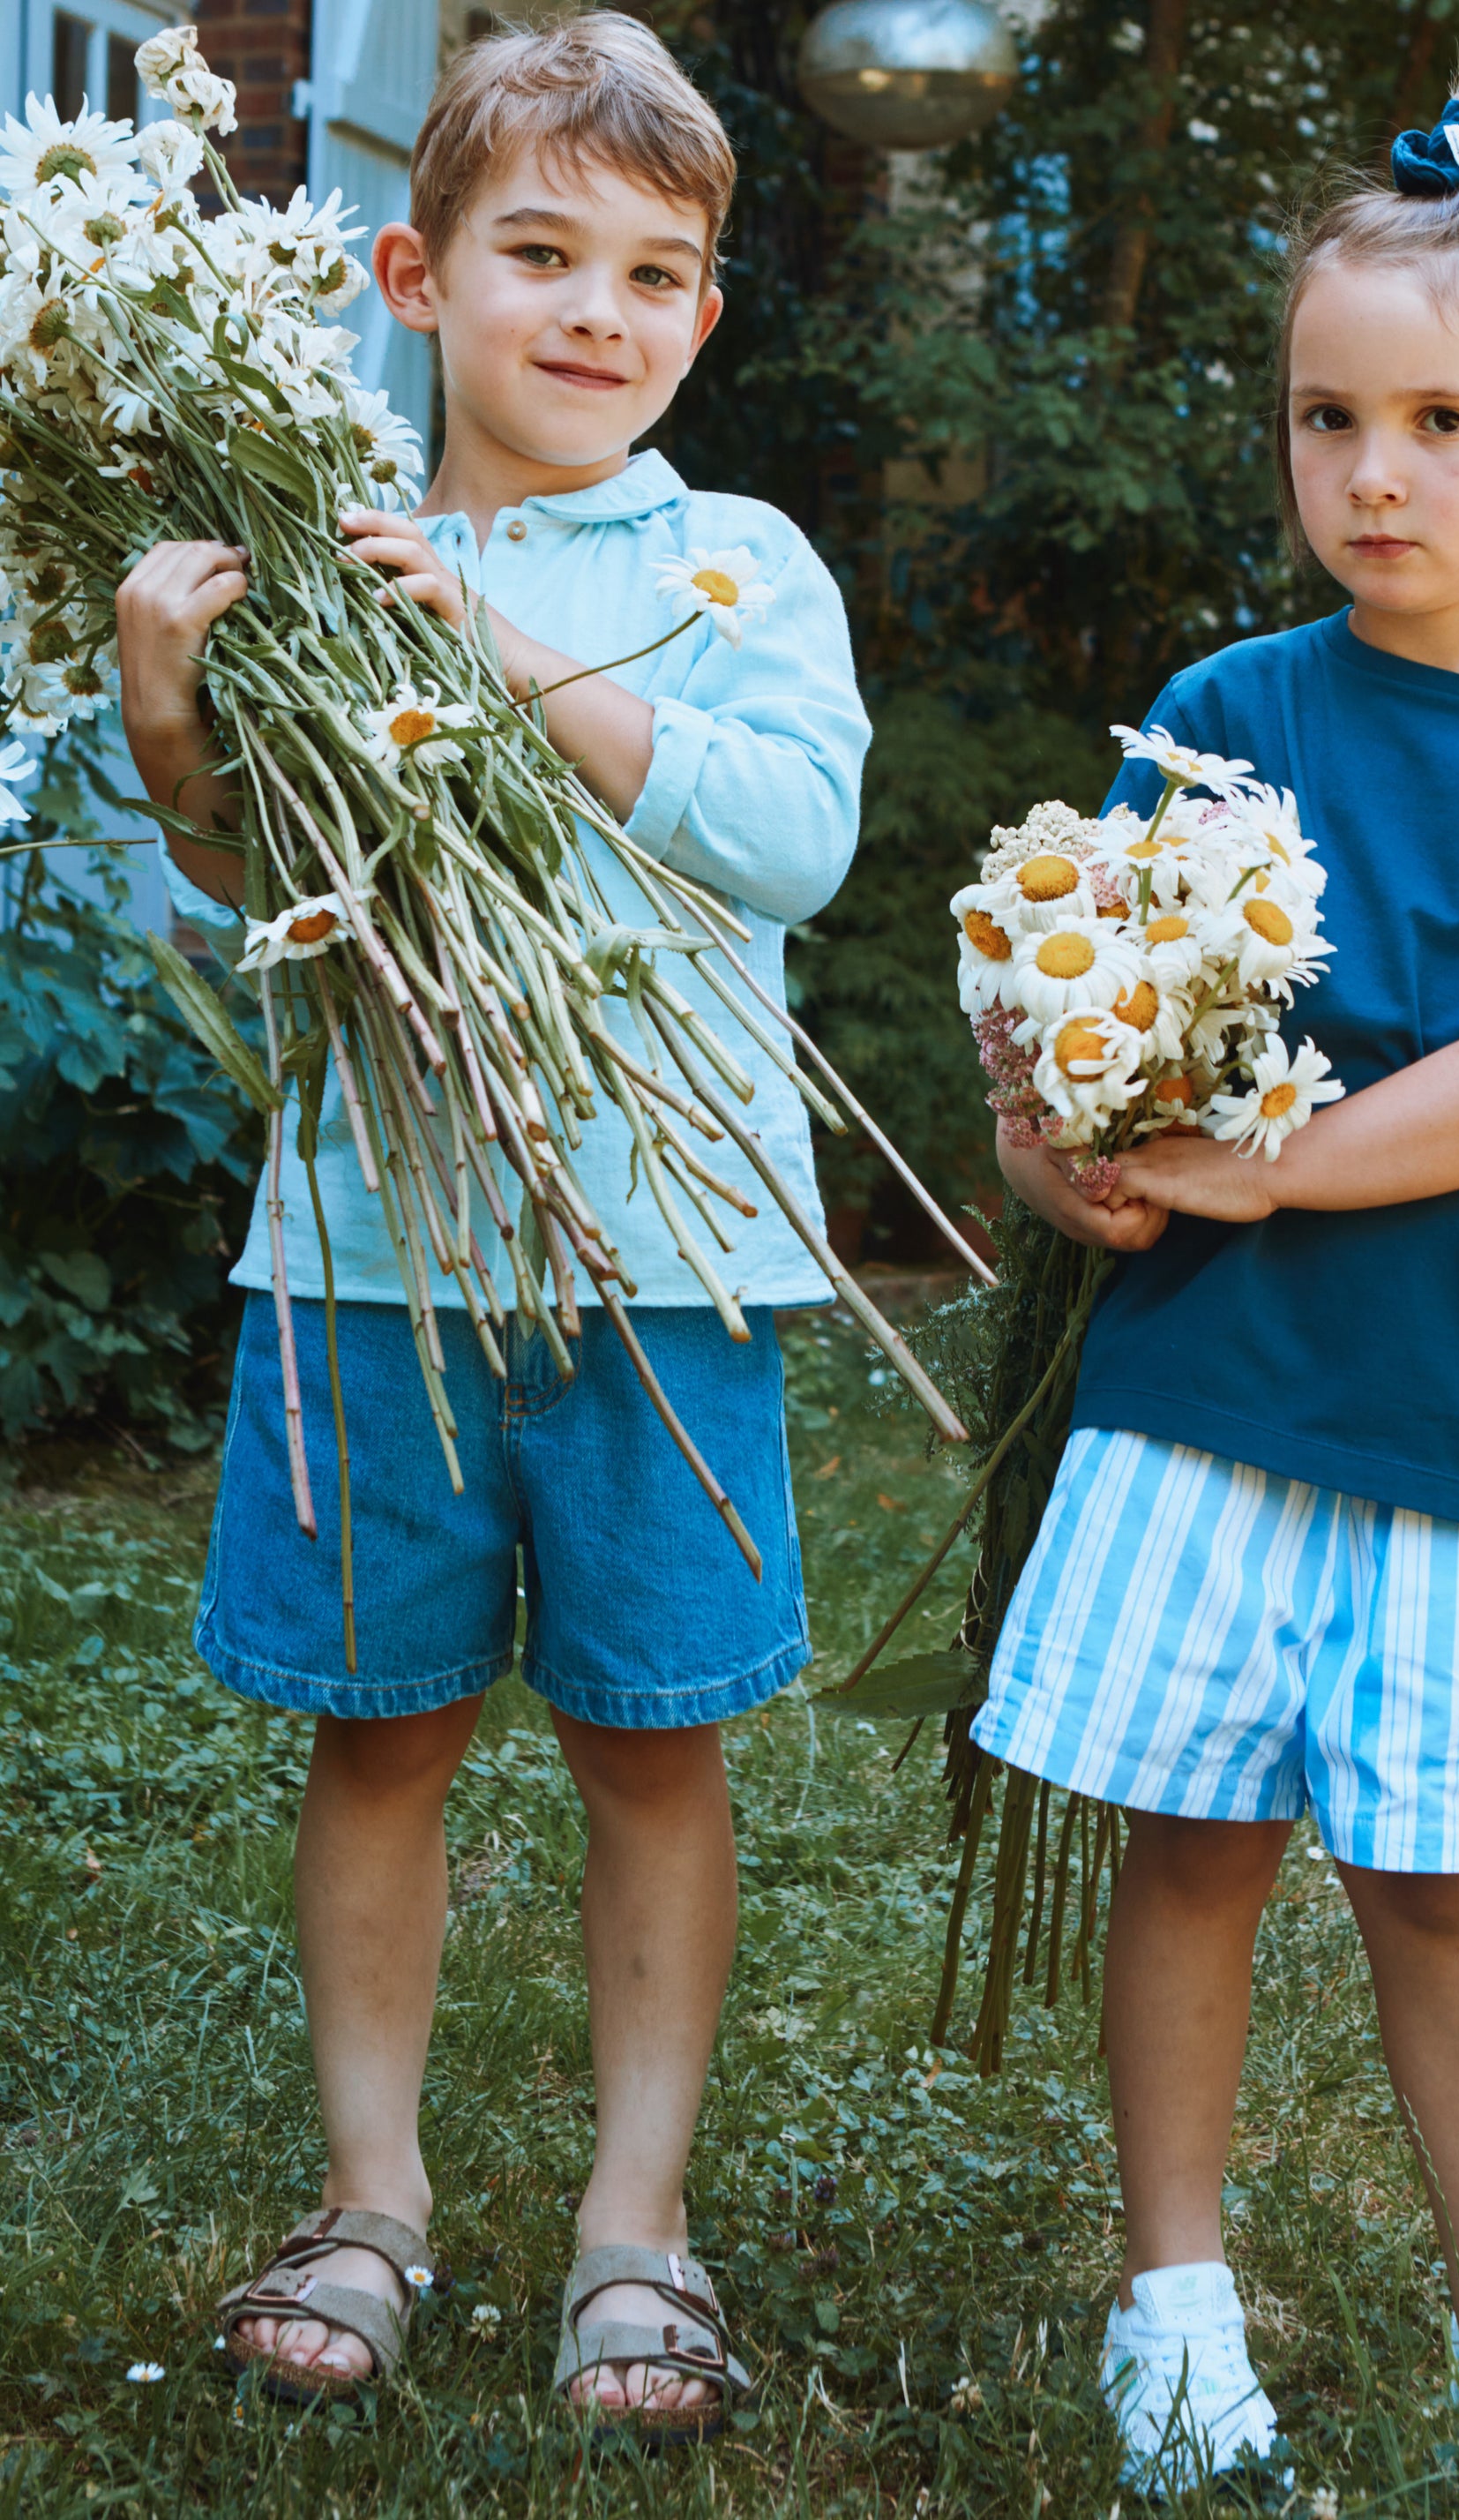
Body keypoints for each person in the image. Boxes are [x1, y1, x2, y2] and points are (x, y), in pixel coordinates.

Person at [113, 12, 867, 2437]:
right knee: (384, 1733)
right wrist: (167, 721)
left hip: (664, 1264)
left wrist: (503, 644)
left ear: (706, 319)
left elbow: (790, 841)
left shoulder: (733, 563)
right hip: (371, 1256)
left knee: (654, 1742)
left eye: (657, 274)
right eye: (540, 254)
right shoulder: (326, 530)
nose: (598, 313)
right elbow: (267, 887)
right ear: (412, 275)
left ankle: (635, 2232)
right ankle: (377, 2200)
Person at [975, 86, 1459, 2507]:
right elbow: (1083, 1002)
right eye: (1330, 418)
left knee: (1435, 1874)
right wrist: (1050, 1133)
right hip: (1212, 1391)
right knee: (1192, 1836)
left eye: (1439, 421)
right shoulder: (1224, 710)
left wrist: (1257, 1166)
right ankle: (1172, 2303)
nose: (1373, 469)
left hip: (1449, 1406)